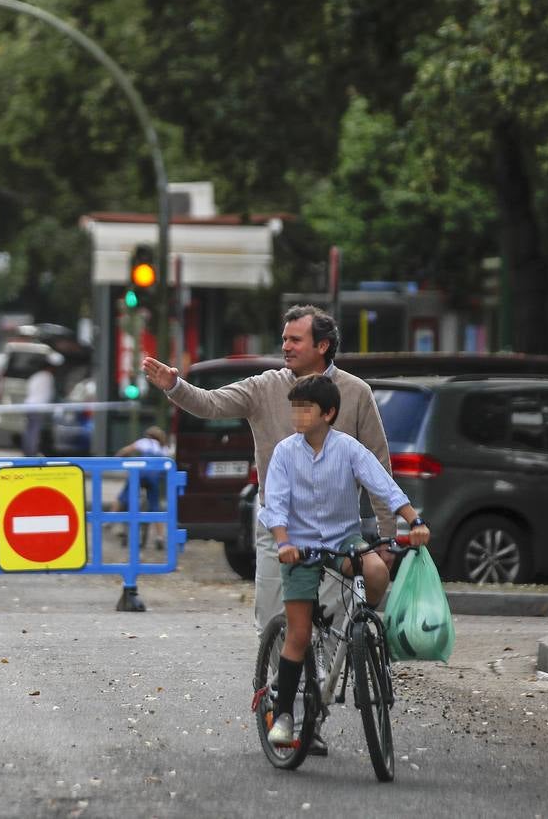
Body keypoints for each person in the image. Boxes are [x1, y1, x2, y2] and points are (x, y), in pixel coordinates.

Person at [142, 304, 393, 758]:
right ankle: (288, 712)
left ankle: (318, 703)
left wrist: (391, 535)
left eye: (295, 339)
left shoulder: (355, 394)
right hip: (280, 531)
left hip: (338, 531)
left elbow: (379, 467)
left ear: (322, 346)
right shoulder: (265, 387)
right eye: (284, 338)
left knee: (334, 623)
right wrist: (174, 386)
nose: (285, 346)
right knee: (279, 620)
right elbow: (211, 402)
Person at [261, 374, 431, 745]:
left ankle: (360, 631)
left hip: (344, 540)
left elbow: (382, 484)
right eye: (295, 408)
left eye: (305, 409)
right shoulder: (285, 453)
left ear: (329, 413)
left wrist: (414, 521)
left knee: (375, 569)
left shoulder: (349, 448)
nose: (297, 415)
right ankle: (286, 714)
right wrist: (284, 542)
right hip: (300, 546)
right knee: (300, 634)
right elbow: (274, 505)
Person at [116, 426, 172, 549]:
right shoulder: (165, 448)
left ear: (149, 435)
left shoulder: (144, 442)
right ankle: (160, 537)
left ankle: (120, 527)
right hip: (154, 477)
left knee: (126, 497)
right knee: (155, 505)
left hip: (140, 474)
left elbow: (126, 451)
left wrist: (119, 459)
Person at [22, 352, 61, 456]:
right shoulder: (48, 376)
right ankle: (31, 452)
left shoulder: (35, 376)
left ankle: (28, 451)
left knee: (30, 430)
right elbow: (50, 394)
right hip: (38, 407)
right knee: (35, 431)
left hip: (29, 405)